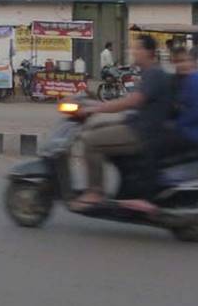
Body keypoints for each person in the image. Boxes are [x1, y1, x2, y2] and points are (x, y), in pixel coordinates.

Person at [70, 34, 173, 214]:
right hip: (136, 125)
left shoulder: (154, 74)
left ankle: (95, 192)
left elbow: (132, 101)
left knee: (90, 140)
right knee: (94, 128)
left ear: (148, 52)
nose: (133, 51)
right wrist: (92, 103)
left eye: (137, 48)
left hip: (141, 132)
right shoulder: (148, 73)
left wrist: (95, 109)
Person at [158, 46, 198, 157]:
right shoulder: (183, 80)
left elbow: (196, 113)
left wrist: (175, 124)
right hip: (194, 131)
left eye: (183, 61)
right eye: (177, 62)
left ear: (192, 62)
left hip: (195, 134)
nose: (180, 65)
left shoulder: (196, 81)